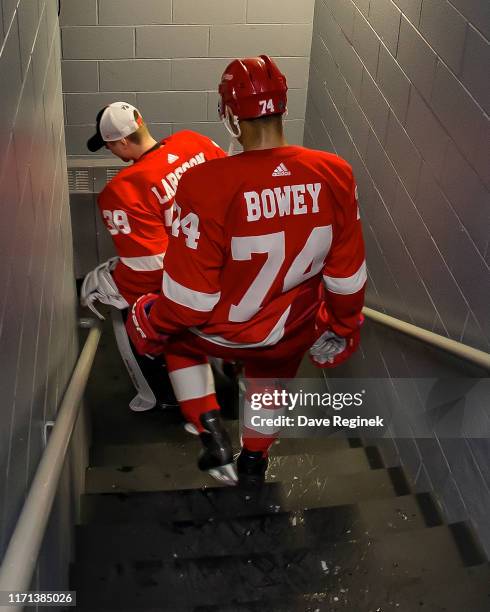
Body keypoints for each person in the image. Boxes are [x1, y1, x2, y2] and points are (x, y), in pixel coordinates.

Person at [126, 56, 366, 485]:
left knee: (179, 344)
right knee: (268, 384)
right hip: (287, 332)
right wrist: (344, 324)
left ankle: (210, 432)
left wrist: (149, 321)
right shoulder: (335, 172)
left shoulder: (205, 182)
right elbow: (346, 276)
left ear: (231, 116)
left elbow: (189, 301)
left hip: (219, 330)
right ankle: (254, 461)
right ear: (283, 107)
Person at [80, 102, 227, 411]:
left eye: (109, 145)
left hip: (190, 282)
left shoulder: (123, 190)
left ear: (121, 142)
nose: (111, 151)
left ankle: (161, 396)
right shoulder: (195, 141)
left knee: (125, 309)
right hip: (232, 265)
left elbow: (151, 267)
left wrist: (115, 282)